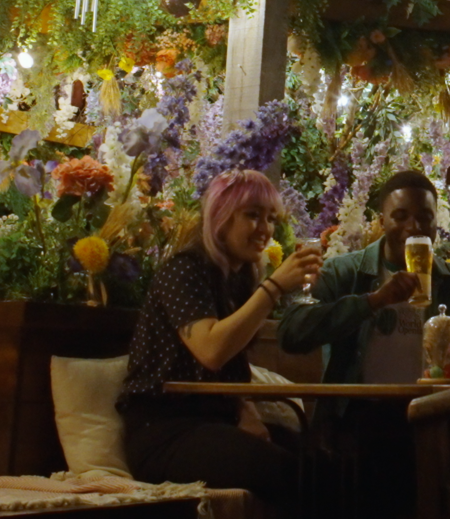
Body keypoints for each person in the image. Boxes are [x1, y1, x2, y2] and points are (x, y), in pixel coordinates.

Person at [278, 169, 450, 517]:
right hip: (360, 422)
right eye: (400, 216)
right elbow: (292, 333)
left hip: (438, 422)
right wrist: (373, 301)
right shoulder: (345, 273)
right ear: (381, 221)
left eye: (424, 217)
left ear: (435, 224)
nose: (413, 227)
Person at [118, 169, 322, 512]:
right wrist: (274, 287)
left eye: (271, 218)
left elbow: (231, 365)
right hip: (163, 431)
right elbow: (211, 350)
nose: (265, 229)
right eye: (253, 215)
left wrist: (245, 409)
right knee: (286, 471)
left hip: (214, 422)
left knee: (319, 459)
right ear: (221, 218)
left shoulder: (238, 278)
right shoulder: (185, 269)